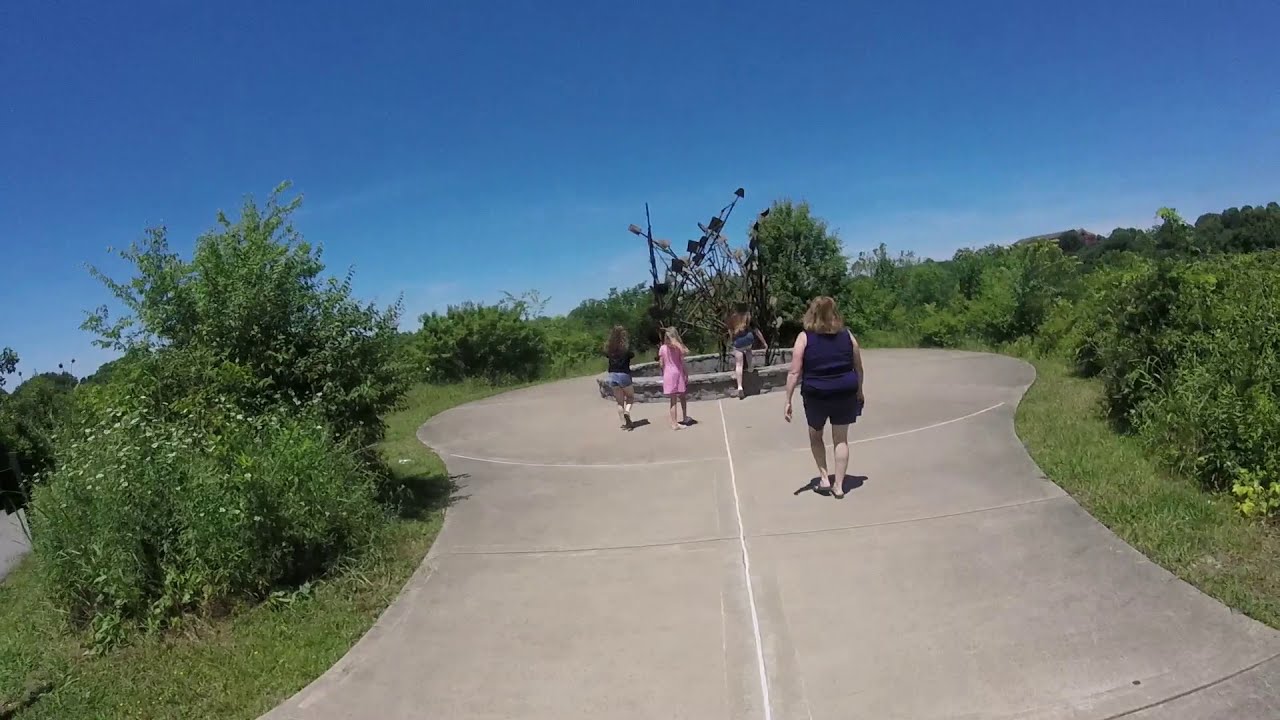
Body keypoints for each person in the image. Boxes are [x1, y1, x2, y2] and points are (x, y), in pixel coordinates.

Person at [783, 296, 865, 498]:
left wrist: (788, 399)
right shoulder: (847, 335)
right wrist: (859, 390)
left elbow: (794, 372)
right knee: (841, 439)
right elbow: (858, 366)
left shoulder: (805, 337)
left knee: (815, 434)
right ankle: (839, 486)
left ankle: (824, 478)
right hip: (845, 390)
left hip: (816, 393)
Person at [727, 310, 768, 399]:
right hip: (748, 340)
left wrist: (733, 341)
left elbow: (730, 332)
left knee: (739, 364)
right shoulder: (748, 317)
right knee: (748, 350)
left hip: (738, 342)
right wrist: (764, 343)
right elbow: (757, 331)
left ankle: (740, 387)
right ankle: (750, 367)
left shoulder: (733, 319)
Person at [604, 325, 636, 430]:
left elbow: (606, 355)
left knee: (619, 402)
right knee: (630, 397)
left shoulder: (610, 350)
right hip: (624, 375)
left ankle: (625, 423)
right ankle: (627, 412)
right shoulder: (626, 350)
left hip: (612, 376)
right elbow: (632, 355)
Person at [658, 326, 691, 430]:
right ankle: (678, 421)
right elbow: (685, 355)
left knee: (673, 399)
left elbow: (661, 363)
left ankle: (676, 421)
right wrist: (686, 373)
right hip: (677, 373)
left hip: (668, 374)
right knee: (681, 396)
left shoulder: (662, 348)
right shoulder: (678, 348)